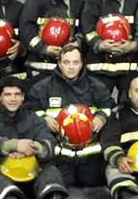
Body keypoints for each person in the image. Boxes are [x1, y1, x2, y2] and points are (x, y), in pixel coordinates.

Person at [27, 45, 113, 187]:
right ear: (59, 63)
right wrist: (43, 118)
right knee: (62, 181)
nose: (71, 67)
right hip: (59, 155)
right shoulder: (42, 88)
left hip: (89, 154)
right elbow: (29, 110)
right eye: (66, 62)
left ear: (81, 64)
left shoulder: (96, 87)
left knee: (92, 181)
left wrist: (101, 116)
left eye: (75, 62)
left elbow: (108, 105)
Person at [80, 0, 138, 100]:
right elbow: (87, 27)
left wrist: (134, 45)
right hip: (100, 66)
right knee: (99, 104)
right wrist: (99, 44)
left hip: (129, 65)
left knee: (128, 107)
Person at [19, 0, 88, 78]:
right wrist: (43, 48)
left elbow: (85, 26)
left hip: (69, 64)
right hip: (39, 64)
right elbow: (26, 27)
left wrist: (76, 44)